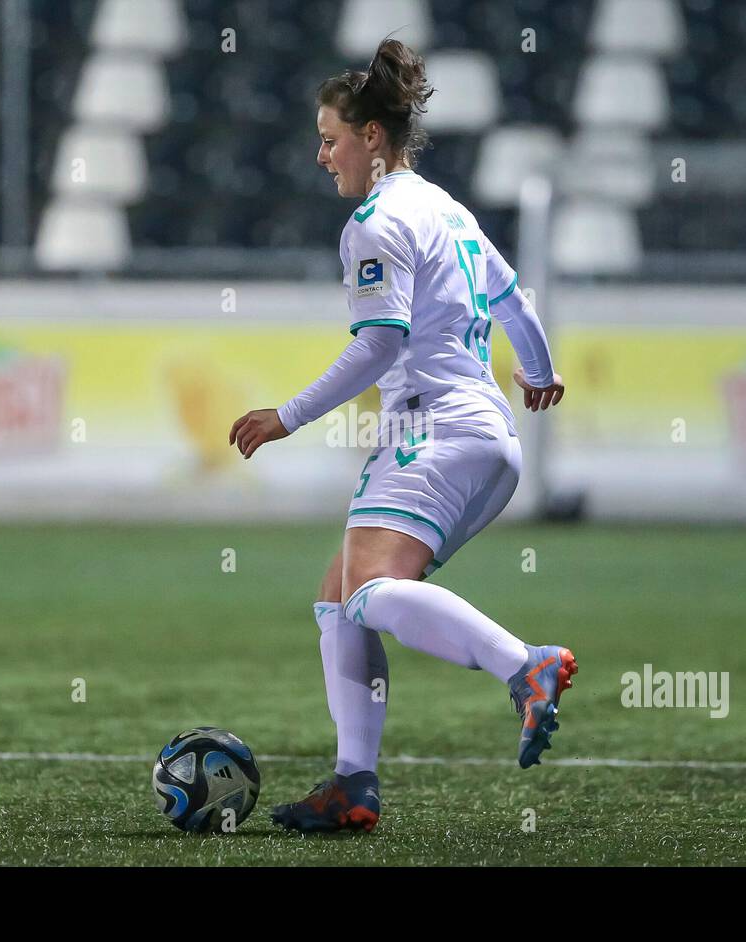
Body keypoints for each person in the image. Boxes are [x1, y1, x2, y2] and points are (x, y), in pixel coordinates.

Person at [228, 38, 575, 834]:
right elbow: (516, 302)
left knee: (372, 594)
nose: (322, 156)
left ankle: (526, 665)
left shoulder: (375, 223)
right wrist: (539, 372)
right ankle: (354, 784)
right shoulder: (448, 208)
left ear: (372, 137)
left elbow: (380, 342)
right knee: (339, 600)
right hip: (486, 436)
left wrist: (288, 415)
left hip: (434, 429)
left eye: (330, 138)